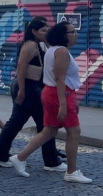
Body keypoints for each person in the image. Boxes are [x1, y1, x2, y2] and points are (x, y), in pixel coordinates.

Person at [9, 22, 91, 183]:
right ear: (64, 35)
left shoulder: (54, 50)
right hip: (59, 93)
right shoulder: (61, 51)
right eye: (72, 32)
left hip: (55, 93)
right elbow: (60, 79)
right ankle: (71, 171)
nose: (76, 34)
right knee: (74, 132)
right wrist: (63, 104)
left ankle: (20, 158)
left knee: (50, 131)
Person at [0, 18, 66, 171]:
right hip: (29, 87)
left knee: (22, 122)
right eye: (43, 30)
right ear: (34, 31)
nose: (46, 33)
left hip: (31, 87)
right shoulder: (31, 45)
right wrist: (22, 90)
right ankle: (51, 161)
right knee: (45, 125)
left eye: (47, 30)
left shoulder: (39, 45)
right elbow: (21, 67)